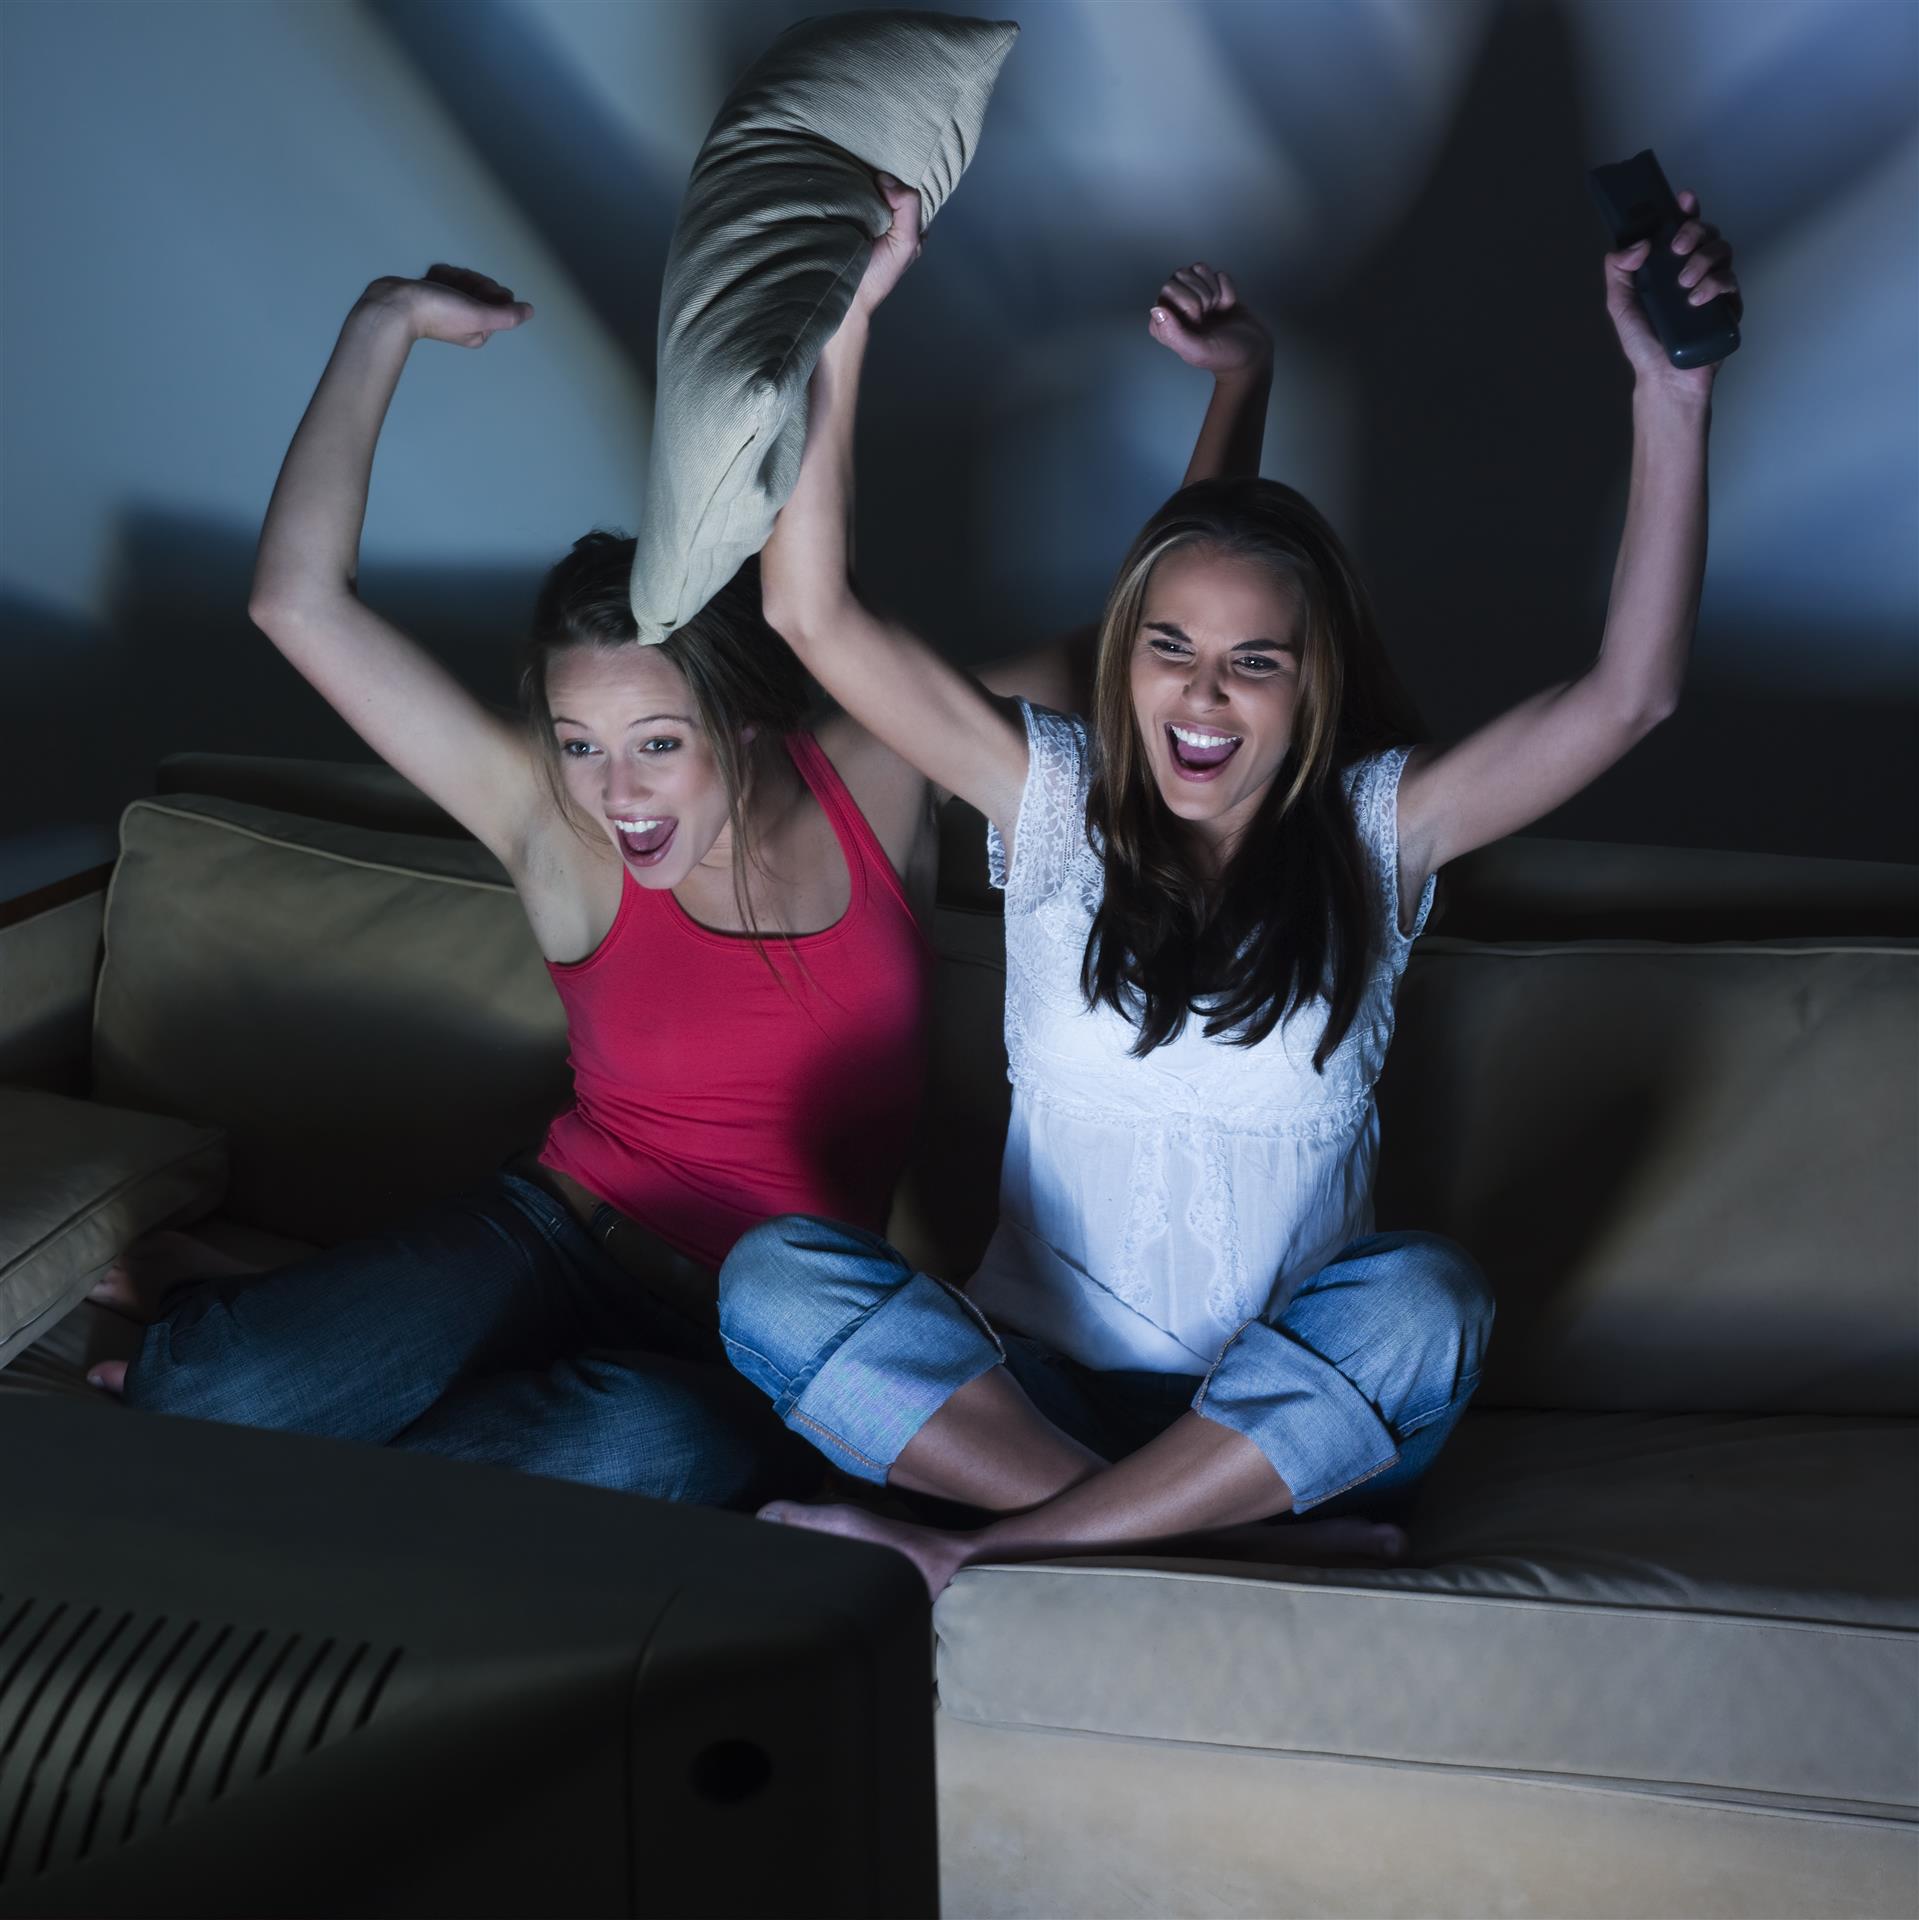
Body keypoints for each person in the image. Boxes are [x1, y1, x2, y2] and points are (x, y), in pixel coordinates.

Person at [87, 257, 1258, 1506]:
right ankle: (234, 1355)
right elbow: (298, 603)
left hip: (756, 1331)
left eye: (656, 746)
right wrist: (381, 321)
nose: (617, 795)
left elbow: (1147, 646)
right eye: (582, 748)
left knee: (651, 1444)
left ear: (741, 725)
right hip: (549, 1241)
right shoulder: (551, 825)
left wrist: (1242, 382)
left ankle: (267, 1400)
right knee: (218, 1396)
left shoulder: (875, 772)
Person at [719, 176, 1742, 1590]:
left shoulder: (1375, 830)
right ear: (1123, 659)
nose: (1202, 696)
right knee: (769, 1280)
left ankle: (985, 1557)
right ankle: (1199, 1534)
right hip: (1024, 1398)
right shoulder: (1051, 794)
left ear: (1310, 685)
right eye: (1168, 653)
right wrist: (844, 316)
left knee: (1425, 1303)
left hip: (1290, 1413)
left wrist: (1668, 394)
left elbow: (1626, 699)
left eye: (1254, 662)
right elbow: (806, 611)